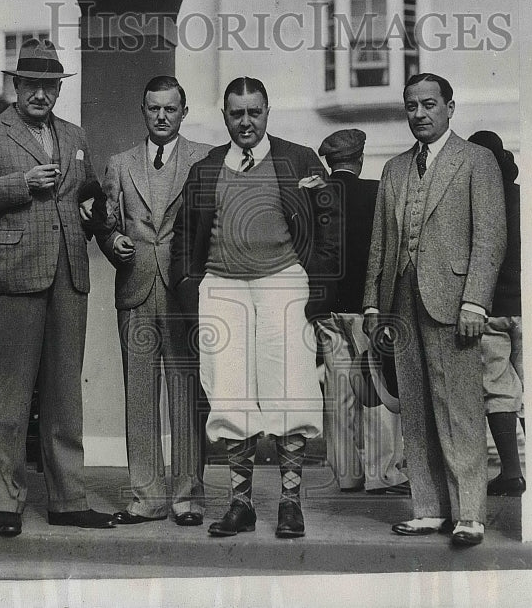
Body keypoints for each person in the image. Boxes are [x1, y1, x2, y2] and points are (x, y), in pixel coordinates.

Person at [0, 38, 117, 537]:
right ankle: (7, 500)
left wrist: (101, 220)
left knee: (65, 393)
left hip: (69, 274)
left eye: (50, 85)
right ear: (16, 86)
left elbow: (87, 199)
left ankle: (68, 499)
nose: (41, 94)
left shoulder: (75, 136)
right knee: (9, 394)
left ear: (58, 89)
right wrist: (21, 182)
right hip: (14, 274)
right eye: (33, 85)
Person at [170, 77, 335, 539]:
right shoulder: (205, 169)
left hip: (283, 281)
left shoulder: (298, 159)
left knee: (291, 389)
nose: (246, 121)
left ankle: (289, 504)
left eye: (254, 112)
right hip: (223, 287)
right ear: (225, 116)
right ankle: (240, 505)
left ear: (267, 112)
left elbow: (328, 223)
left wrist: (318, 286)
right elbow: (185, 236)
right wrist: (190, 289)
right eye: (236, 113)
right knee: (230, 394)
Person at [363, 72, 505, 546]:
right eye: (411, 106)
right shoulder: (394, 169)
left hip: (454, 303)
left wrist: (476, 301)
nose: (419, 114)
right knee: (418, 410)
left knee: (459, 408)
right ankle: (428, 508)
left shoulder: (476, 161)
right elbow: (381, 244)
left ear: (449, 107)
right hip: (400, 301)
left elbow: (490, 237)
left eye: (428, 104)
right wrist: (371, 305)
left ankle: (469, 513)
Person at [99, 75, 212, 526]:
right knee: (140, 396)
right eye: (153, 109)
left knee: (187, 394)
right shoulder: (120, 164)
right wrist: (114, 243)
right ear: (143, 111)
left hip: (185, 293)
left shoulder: (204, 159)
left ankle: (188, 498)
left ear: (183, 113)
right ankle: (146, 497)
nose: (162, 116)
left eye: (170, 109)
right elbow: (106, 223)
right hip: (137, 290)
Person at [314, 129, 409, 496]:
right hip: (367, 309)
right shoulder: (375, 192)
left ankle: (347, 474)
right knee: (377, 391)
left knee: (338, 392)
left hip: (327, 310)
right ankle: (382, 473)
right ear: (360, 158)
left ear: (330, 161)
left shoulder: (317, 197)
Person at [468, 130, 526, 497]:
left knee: (498, 390)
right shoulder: (527, 198)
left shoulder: (471, 201)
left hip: (490, 309)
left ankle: (511, 472)